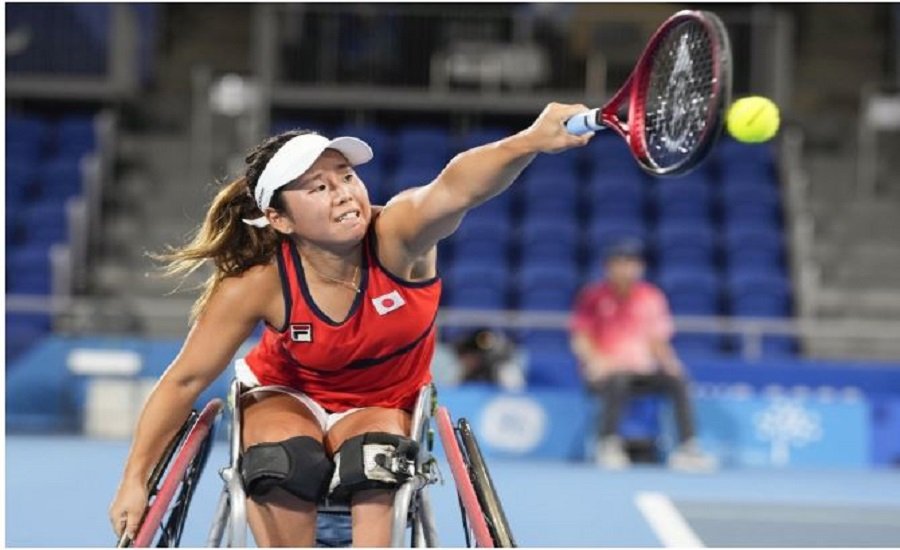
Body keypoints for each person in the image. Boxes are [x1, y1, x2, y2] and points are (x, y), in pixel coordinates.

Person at [108, 102, 594, 546]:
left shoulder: (399, 238)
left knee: (374, 464)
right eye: (319, 188)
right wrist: (135, 478)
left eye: (345, 177)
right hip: (287, 395)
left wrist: (528, 140)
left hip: (382, 401)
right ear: (279, 219)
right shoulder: (258, 283)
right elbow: (185, 379)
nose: (343, 194)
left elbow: (454, 188)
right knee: (281, 467)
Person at [569, 239, 716, 471]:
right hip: (607, 373)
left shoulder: (651, 297)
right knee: (618, 380)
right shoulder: (593, 296)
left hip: (642, 373)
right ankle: (607, 444)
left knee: (676, 381)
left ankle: (689, 448)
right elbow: (580, 338)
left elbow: (658, 340)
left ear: (640, 267)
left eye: (632, 263)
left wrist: (670, 363)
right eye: (620, 263)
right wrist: (596, 361)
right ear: (608, 267)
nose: (626, 268)